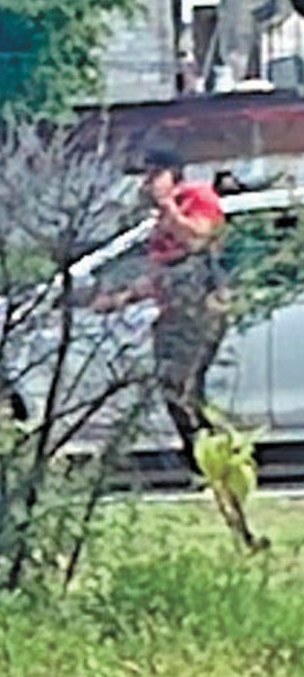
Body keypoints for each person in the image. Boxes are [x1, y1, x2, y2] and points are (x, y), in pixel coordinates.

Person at [103, 151, 230, 473]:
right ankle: (202, 460)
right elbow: (161, 271)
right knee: (171, 387)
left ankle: (217, 458)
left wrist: (168, 206)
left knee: (184, 387)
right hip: (171, 312)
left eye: (154, 174)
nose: (147, 183)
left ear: (173, 173)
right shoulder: (158, 221)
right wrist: (123, 297)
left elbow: (196, 240)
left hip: (199, 307)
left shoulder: (197, 198)